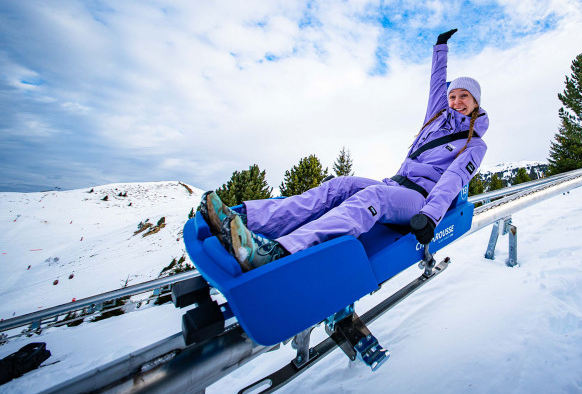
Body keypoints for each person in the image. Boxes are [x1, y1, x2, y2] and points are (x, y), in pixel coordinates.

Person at [199, 29, 489, 272]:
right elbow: (436, 83)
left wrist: (431, 216)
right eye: (453, 96)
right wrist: (440, 48)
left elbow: (452, 181)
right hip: (395, 185)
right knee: (341, 185)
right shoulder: (436, 117)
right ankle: (247, 221)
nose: (457, 101)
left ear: (476, 101)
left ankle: (282, 252)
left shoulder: (474, 143)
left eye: (465, 96)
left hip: (419, 200)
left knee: (373, 196)